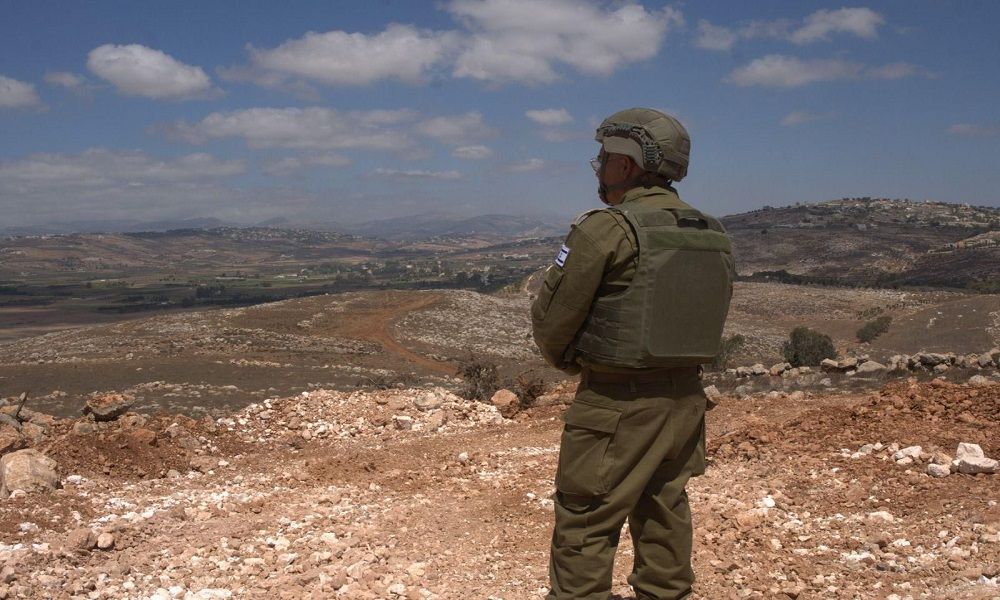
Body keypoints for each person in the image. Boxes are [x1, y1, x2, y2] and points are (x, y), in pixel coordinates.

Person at [531, 108, 734, 600]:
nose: (599, 168)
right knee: (665, 508)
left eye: (603, 159)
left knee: (586, 519)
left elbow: (553, 321)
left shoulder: (606, 228)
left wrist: (577, 364)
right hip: (685, 402)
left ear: (625, 164)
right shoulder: (712, 232)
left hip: (615, 402)